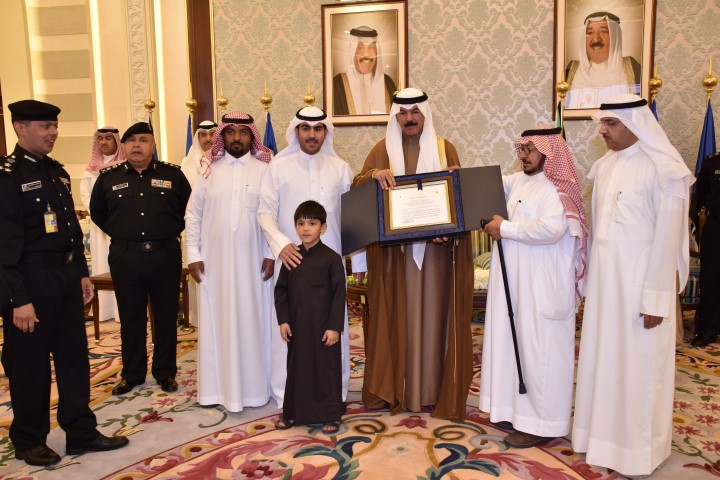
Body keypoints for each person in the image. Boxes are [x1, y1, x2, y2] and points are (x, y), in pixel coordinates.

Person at [0, 100, 128, 466]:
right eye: (45, 126)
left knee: (74, 358)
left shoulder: (56, 172)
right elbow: (4, 245)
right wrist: (18, 298)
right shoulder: (8, 176)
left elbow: (70, 230)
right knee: (30, 366)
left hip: (66, 279)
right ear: (20, 128)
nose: (53, 132)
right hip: (30, 282)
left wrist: (81, 273)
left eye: (55, 125)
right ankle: (28, 439)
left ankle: (80, 430)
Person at [572, 94, 692, 477]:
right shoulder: (605, 167)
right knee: (603, 362)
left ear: (635, 123)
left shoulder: (665, 169)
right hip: (606, 289)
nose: (602, 131)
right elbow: (600, 234)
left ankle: (639, 451)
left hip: (641, 290)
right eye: (602, 123)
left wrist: (656, 299)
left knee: (640, 369)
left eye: (611, 123)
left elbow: (668, 240)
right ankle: (601, 440)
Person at [351, 88, 474, 421]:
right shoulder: (381, 150)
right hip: (394, 258)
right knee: (396, 316)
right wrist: (373, 176)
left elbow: (458, 199)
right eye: (402, 113)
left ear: (425, 115)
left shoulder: (444, 148)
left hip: (436, 254)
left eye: (415, 112)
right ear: (395, 117)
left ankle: (433, 389)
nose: (409, 118)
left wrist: (455, 187)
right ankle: (394, 389)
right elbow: (357, 190)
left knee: (436, 316)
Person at [479, 126, 588, 448]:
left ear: (549, 152)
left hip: (543, 288)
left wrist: (505, 228)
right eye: (521, 149)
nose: (523, 155)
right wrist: (457, 177)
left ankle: (543, 424)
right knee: (515, 347)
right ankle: (515, 413)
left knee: (542, 353)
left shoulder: (559, 189)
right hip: (516, 285)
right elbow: (485, 186)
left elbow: (552, 229)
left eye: (530, 149)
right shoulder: (518, 181)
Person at [258, 106, 353, 408]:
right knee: (290, 330)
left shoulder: (341, 168)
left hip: (330, 263)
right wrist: (281, 245)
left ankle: (334, 393)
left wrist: (359, 263)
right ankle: (286, 395)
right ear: (296, 131)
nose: (312, 135)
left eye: (318, 129)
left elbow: (352, 219)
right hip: (292, 261)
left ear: (326, 133)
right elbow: (265, 213)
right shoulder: (277, 168)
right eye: (305, 128)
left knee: (332, 327)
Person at [90, 122, 191, 396]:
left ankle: (165, 372)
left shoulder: (173, 175)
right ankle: (132, 373)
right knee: (130, 317)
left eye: (143, 140)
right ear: (123, 146)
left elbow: (188, 210)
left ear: (153, 145)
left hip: (164, 255)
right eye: (131, 140)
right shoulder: (108, 178)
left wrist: (165, 232)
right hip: (126, 257)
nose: (137, 145)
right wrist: (124, 233)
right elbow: (98, 212)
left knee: (166, 317)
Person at [185, 111, 274, 410]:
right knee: (217, 323)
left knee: (254, 322)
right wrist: (193, 255)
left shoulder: (266, 170)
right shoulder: (208, 170)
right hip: (215, 264)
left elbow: (274, 215)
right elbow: (193, 215)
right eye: (231, 132)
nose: (237, 137)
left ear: (252, 137)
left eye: (243, 132)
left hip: (255, 265)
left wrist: (270, 253)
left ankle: (255, 391)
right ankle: (216, 392)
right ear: (222, 136)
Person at [274, 200, 346, 434]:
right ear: (295, 227)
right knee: (297, 369)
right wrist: (284, 320)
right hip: (298, 327)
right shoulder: (291, 257)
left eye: (312, 223)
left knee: (326, 370)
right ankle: (292, 413)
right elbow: (281, 291)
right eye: (301, 223)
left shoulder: (332, 259)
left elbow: (339, 295)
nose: (306, 228)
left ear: (323, 228)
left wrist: (334, 327)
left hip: (325, 329)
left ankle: (331, 415)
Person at [79, 126, 125, 322]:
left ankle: (121, 311)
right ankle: (105, 311)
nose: (104, 142)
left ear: (116, 141)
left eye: (108, 138)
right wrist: (101, 214)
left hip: (121, 223)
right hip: (99, 224)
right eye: (100, 139)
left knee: (122, 266)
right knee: (102, 264)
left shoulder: (124, 166)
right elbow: (85, 195)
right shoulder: (90, 170)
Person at [565, 12, 641, 109]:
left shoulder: (631, 67)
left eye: (604, 31)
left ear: (615, 37)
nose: (596, 39)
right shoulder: (572, 70)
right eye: (590, 33)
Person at [332, 26, 398, 116]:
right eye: (360, 47)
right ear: (352, 51)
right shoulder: (337, 85)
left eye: (371, 47)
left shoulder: (388, 83)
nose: (366, 53)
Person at [692, 151, 720, 347]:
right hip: (716, 227)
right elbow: (700, 196)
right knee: (711, 278)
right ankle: (708, 329)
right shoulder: (713, 163)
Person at [180, 120, 217, 188]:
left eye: (212, 134)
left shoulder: (224, 160)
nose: (208, 139)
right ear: (198, 139)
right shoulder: (187, 163)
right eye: (203, 135)